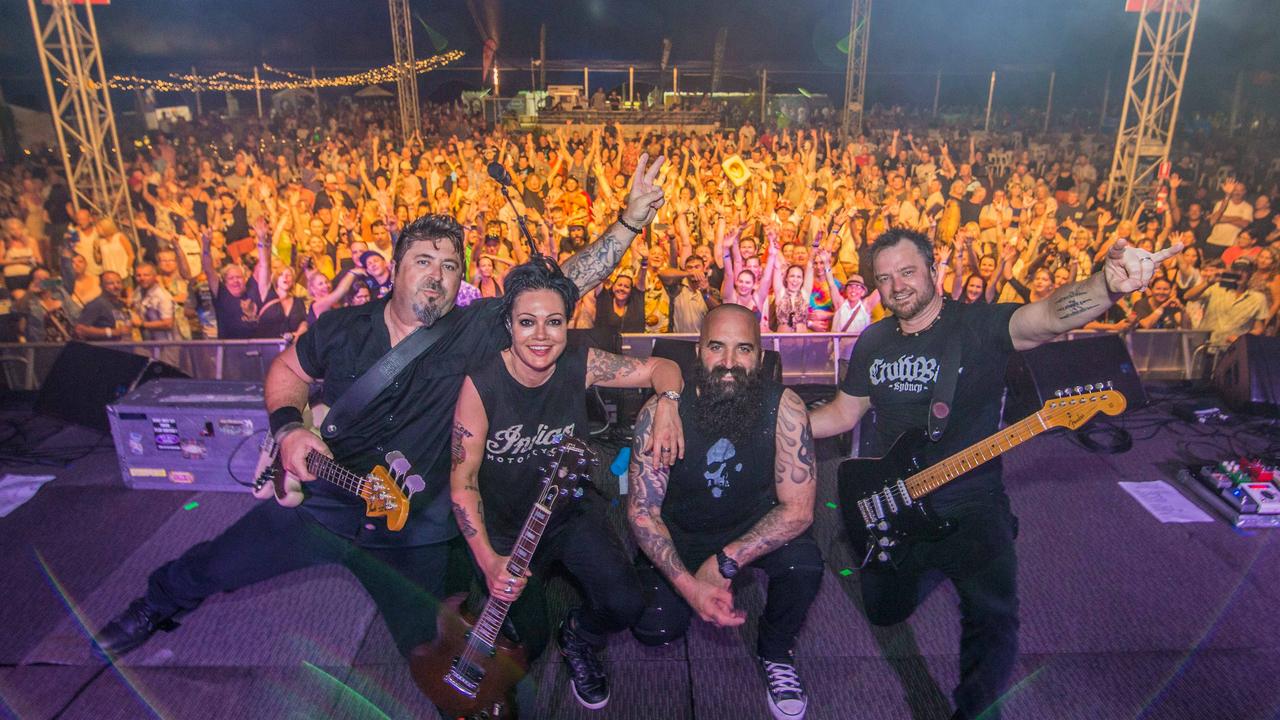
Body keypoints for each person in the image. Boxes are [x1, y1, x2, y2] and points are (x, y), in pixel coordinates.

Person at [89, 154, 673, 704]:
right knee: (216, 564)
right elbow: (287, 370)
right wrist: (290, 427)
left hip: (412, 535)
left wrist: (627, 223)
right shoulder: (343, 328)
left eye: (450, 266)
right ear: (394, 268)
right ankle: (154, 604)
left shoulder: (473, 329)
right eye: (424, 261)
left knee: (437, 660)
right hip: (324, 504)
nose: (437, 277)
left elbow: (564, 284)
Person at [809, 229, 1180, 720]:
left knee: (994, 616)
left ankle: (975, 710)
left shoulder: (980, 325)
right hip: (894, 499)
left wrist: (1106, 286)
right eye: (884, 277)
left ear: (934, 270)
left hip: (971, 498)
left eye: (906, 271)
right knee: (883, 610)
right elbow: (842, 414)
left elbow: (1047, 316)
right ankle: (931, 561)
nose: (896, 286)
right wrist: (774, 427)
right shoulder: (874, 340)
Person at [450, 258, 684, 710]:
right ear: (509, 325)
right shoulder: (481, 385)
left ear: (567, 324)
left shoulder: (582, 362)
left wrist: (669, 403)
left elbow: (663, 367)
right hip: (506, 529)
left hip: (571, 511)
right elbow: (462, 481)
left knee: (625, 604)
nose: (541, 335)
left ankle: (579, 636)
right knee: (527, 643)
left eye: (554, 322)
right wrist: (488, 560)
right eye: (527, 322)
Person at [627, 303, 822, 720]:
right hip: (681, 532)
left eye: (744, 350)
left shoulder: (785, 408)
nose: (730, 363)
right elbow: (644, 513)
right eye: (717, 347)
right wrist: (689, 586)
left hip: (752, 528)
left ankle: (775, 652)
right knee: (653, 627)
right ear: (698, 351)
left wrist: (726, 561)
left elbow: (800, 510)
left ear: (761, 354)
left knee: (805, 564)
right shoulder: (659, 414)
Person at [73, 271, 133, 341]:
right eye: (110, 283)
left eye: (118, 282)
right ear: (101, 285)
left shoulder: (122, 304)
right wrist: (112, 332)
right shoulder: (97, 304)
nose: (116, 286)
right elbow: (80, 329)